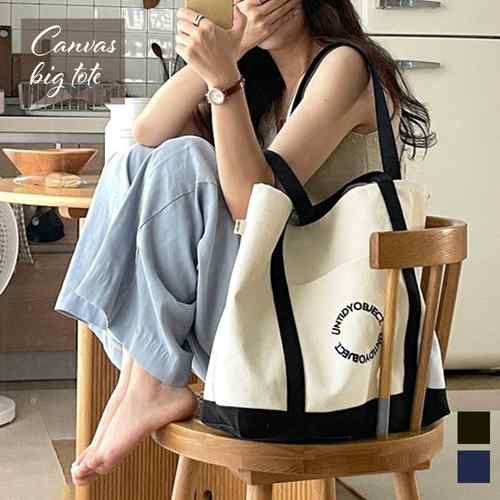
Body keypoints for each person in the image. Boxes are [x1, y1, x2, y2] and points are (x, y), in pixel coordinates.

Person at [54, 0, 436, 486]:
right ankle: (144, 381)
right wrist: (230, 54)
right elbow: (147, 132)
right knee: (134, 163)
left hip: (330, 335)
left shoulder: (344, 66)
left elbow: (253, 207)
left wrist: (225, 82)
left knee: (186, 160)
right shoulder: (264, 86)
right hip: (273, 313)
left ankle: (148, 382)